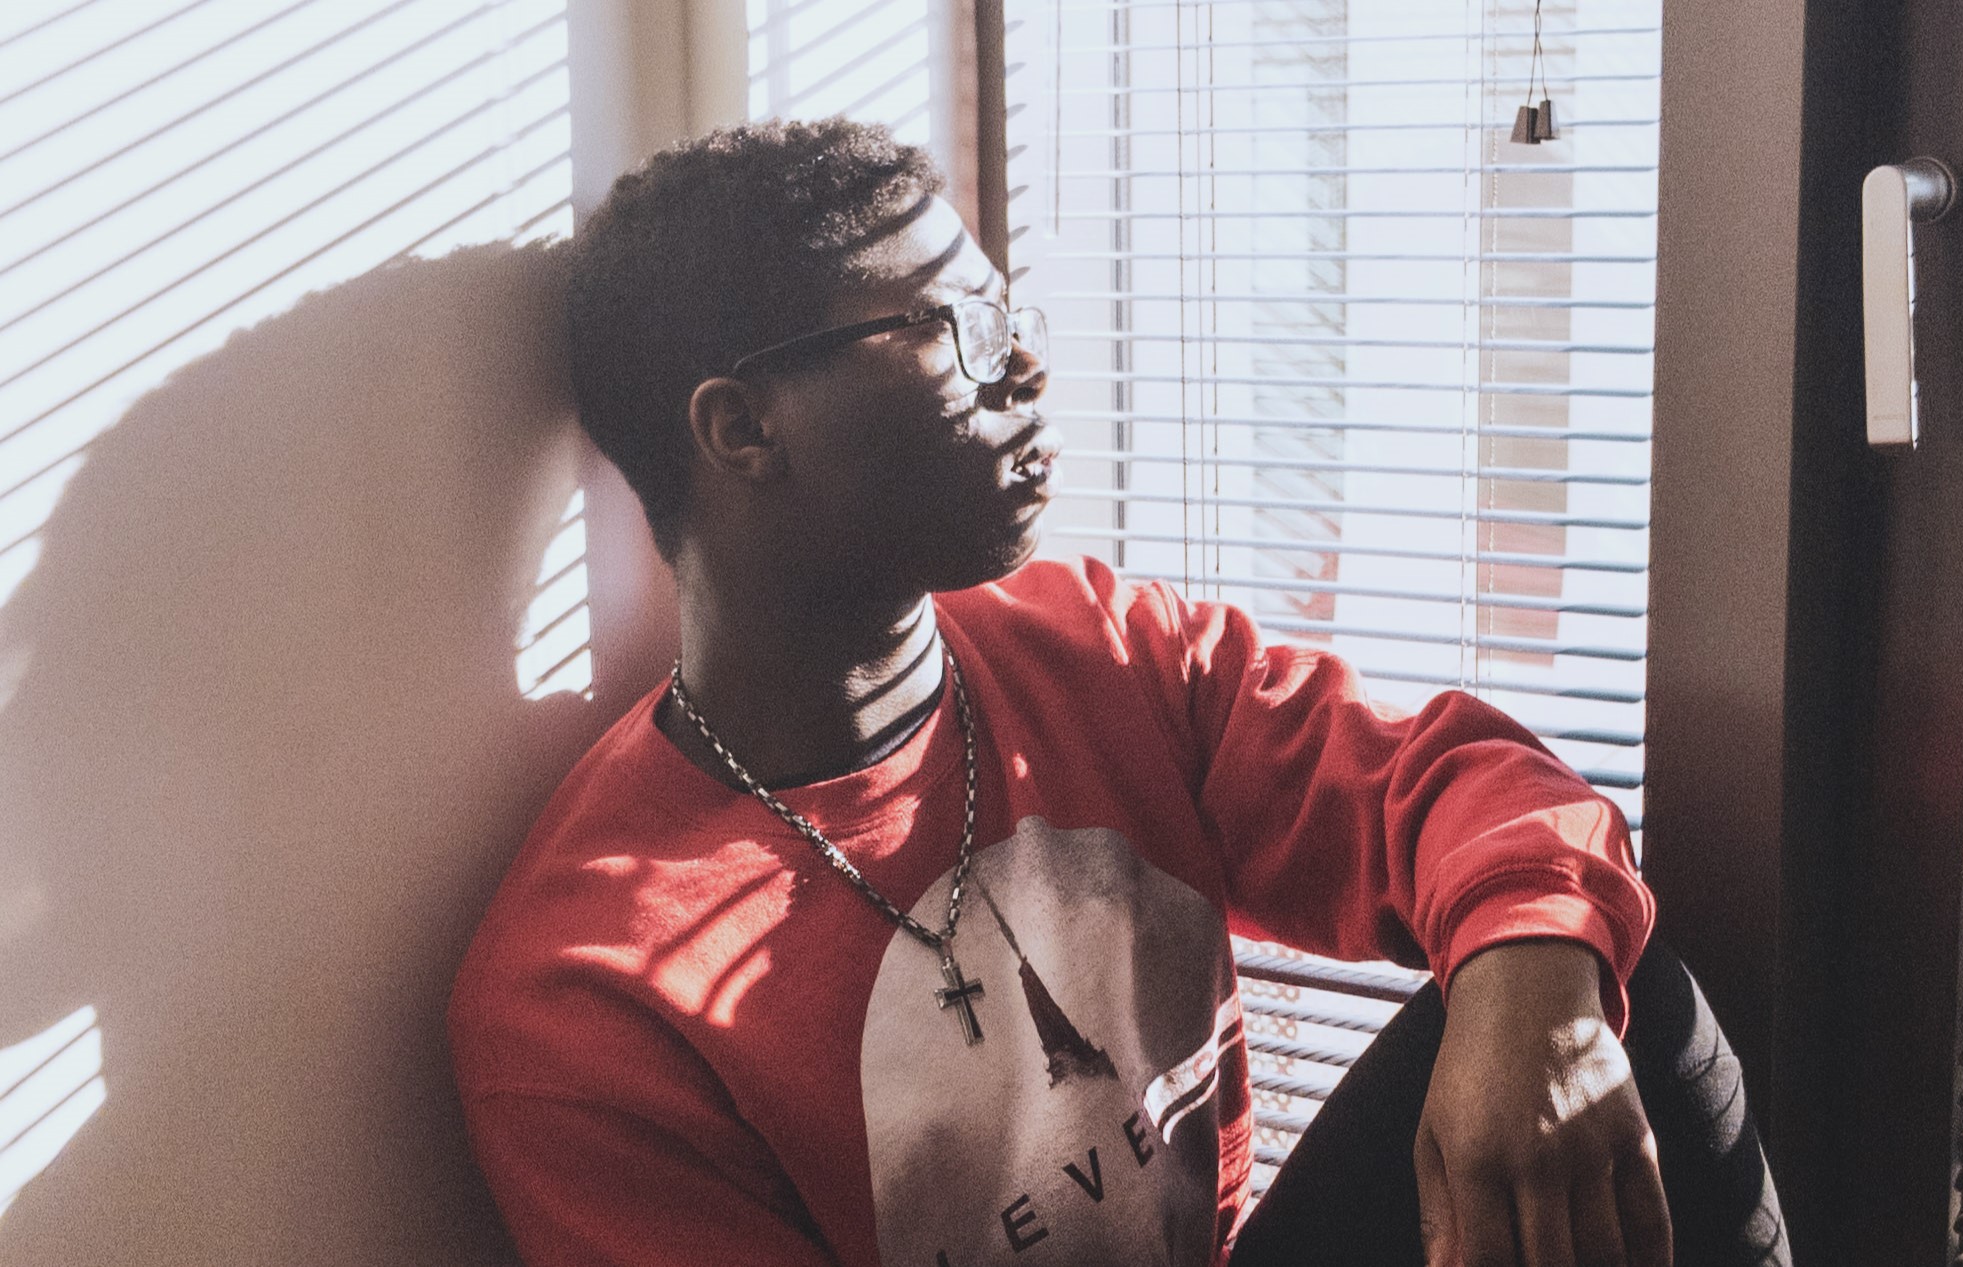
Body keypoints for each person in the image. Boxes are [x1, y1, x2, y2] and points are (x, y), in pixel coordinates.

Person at [449, 119, 1787, 1267]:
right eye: (954, 329)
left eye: (1010, 319)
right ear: (744, 430)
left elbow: (1467, 790)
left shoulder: (1092, 649)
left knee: (1589, 983)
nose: (1023, 367)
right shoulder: (585, 998)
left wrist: (1531, 992)